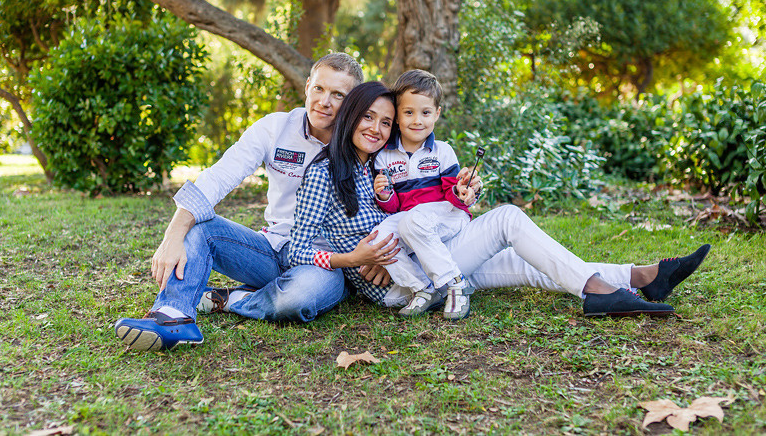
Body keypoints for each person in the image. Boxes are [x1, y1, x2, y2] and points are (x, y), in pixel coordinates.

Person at [288, 80, 710, 318]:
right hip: (412, 275)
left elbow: (425, 196)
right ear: (349, 118)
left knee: (532, 264)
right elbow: (300, 247)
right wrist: (355, 260)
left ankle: (642, 278)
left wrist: (461, 194)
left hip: (437, 252)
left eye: (384, 121)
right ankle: (602, 290)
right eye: (368, 118)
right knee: (508, 219)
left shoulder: (381, 158)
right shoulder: (326, 172)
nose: (378, 129)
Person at [114, 53, 380, 352]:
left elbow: (402, 202)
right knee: (202, 227)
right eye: (319, 88)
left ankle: (231, 299)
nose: (324, 101)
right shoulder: (275, 128)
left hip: (325, 264)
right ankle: (174, 314)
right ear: (307, 86)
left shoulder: (367, 140)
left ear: (353, 102)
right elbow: (219, 176)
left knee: (297, 299)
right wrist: (172, 235)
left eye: (338, 95)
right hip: (273, 249)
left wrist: (385, 257)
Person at [372, 70, 478, 320]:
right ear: (397, 115)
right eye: (409, 112)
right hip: (409, 217)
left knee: (414, 219)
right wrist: (384, 194)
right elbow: (395, 207)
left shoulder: (442, 151)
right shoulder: (384, 156)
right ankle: (423, 288)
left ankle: (456, 283)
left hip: (447, 214)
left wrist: (461, 190)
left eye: (425, 112)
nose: (417, 120)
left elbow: (453, 195)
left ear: (437, 114)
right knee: (379, 238)